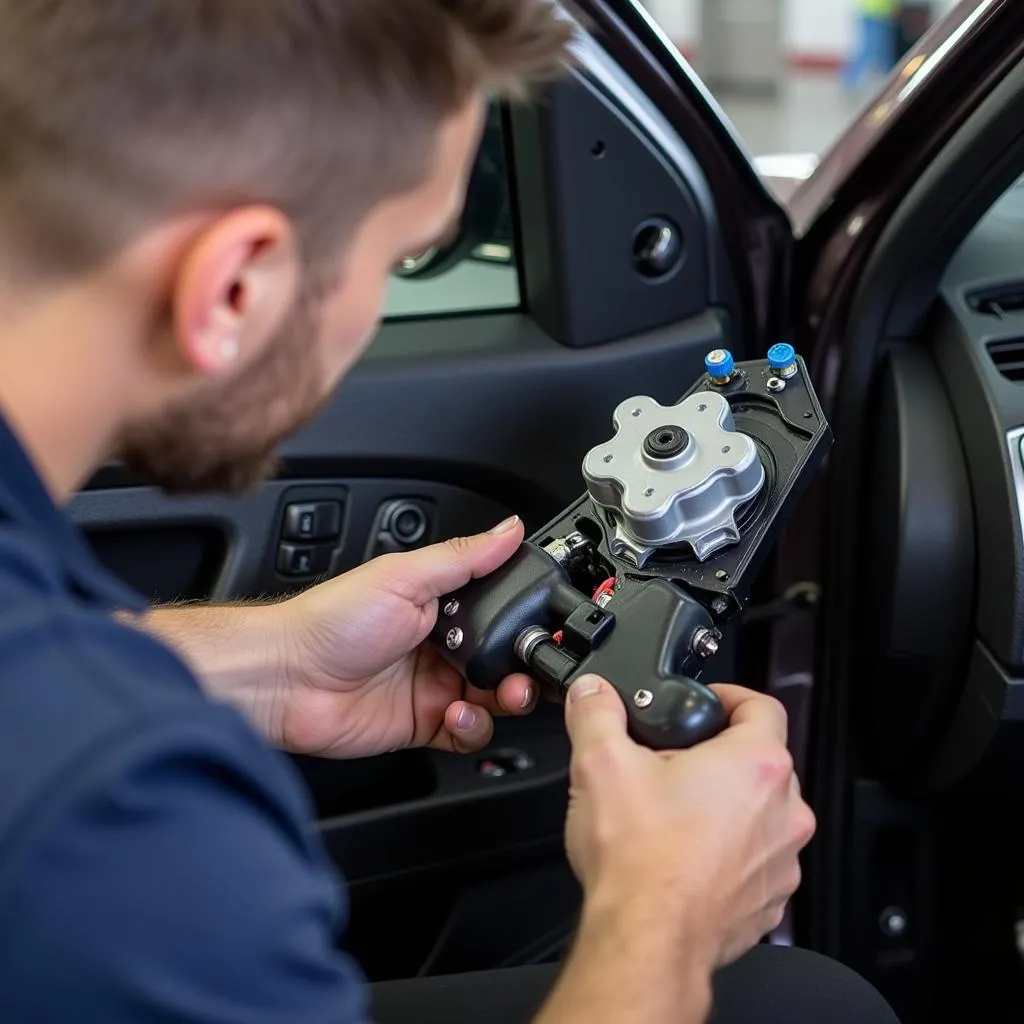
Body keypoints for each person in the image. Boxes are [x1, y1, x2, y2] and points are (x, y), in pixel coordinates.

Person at [0, 3, 899, 1023]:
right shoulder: (126, 826)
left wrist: (267, 665)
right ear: (235, 285)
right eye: (399, 260)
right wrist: (667, 915)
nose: (373, 311)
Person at [843, 0, 898, 90]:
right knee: (869, 50)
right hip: (873, 13)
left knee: (885, 51)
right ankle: (850, 80)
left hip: (884, 14)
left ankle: (892, 81)